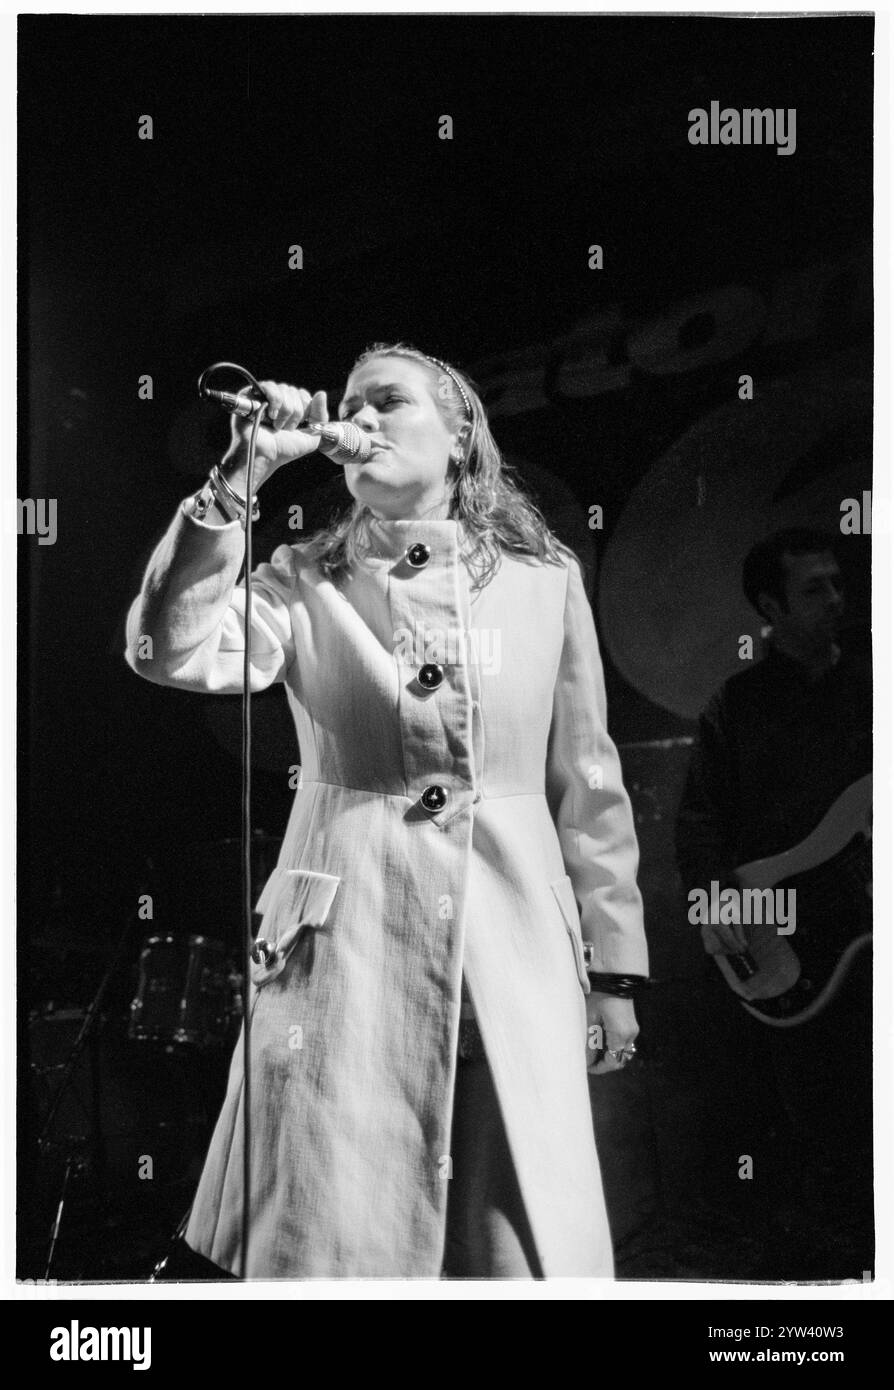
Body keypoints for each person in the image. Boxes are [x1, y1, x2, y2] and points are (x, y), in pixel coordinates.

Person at [125, 341, 649, 1279]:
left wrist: (612, 969)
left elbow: (588, 780)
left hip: (515, 952)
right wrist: (237, 481)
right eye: (350, 406)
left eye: (388, 402)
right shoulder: (304, 577)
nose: (359, 420)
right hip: (343, 955)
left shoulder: (543, 578)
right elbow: (169, 650)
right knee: (336, 1239)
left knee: (511, 1246)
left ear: (458, 437)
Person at [675, 528, 872, 1277]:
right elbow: (699, 827)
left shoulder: (873, 678)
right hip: (795, 944)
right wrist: (715, 912)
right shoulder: (737, 705)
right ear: (770, 606)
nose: (836, 600)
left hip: (869, 918)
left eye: (837, 585)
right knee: (820, 1115)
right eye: (813, 589)